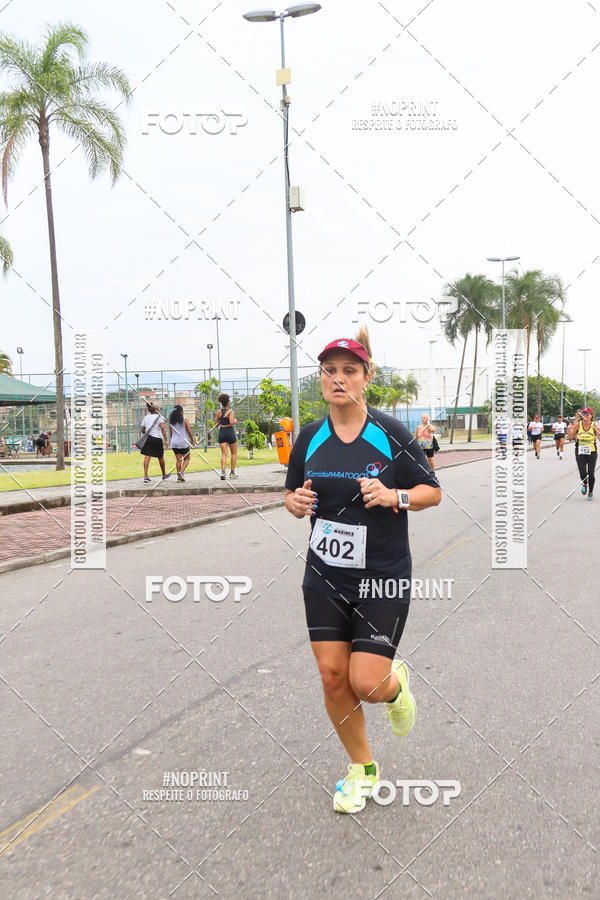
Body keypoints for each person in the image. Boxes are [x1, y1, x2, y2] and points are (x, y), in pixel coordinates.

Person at [284, 331, 441, 815]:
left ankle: (396, 687)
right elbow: (291, 494)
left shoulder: (392, 433)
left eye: (349, 369)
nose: (338, 378)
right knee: (333, 677)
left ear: (367, 378)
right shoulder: (309, 437)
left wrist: (395, 496)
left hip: (383, 575)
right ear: (321, 380)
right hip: (325, 575)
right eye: (330, 370)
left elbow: (431, 492)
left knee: (367, 683)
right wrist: (295, 503)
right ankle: (361, 769)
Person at [567, 408, 600, 500]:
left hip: (592, 452)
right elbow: (570, 438)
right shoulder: (578, 425)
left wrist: (598, 433)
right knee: (582, 473)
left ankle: (590, 492)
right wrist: (570, 430)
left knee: (591, 472)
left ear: (591, 415)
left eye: (587, 414)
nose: (585, 415)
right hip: (580, 451)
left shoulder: (595, 425)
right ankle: (585, 483)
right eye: (583, 414)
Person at [140, 402, 170, 483]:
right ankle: (164, 475)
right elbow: (163, 429)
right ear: (156, 410)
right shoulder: (159, 417)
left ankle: (146, 476)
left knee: (147, 457)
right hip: (157, 439)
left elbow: (142, 430)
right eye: (159, 408)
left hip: (148, 438)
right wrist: (166, 439)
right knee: (160, 457)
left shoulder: (146, 418)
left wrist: (147, 435)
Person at [214, 393, 238, 480]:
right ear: (228, 402)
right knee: (234, 453)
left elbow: (216, 423)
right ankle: (232, 473)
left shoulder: (219, 412)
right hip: (230, 432)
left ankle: (223, 473)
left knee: (224, 454)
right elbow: (231, 422)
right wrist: (235, 421)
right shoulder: (231, 411)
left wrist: (221, 421)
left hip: (222, 432)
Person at [169, 404, 194, 482]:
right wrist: (192, 440)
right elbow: (189, 431)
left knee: (178, 460)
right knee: (187, 458)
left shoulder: (171, 421)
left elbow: (170, 433)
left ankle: (179, 478)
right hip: (183, 442)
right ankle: (181, 472)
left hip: (174, 442)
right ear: (182, 411)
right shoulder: (185, 419)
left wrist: (173, 440)